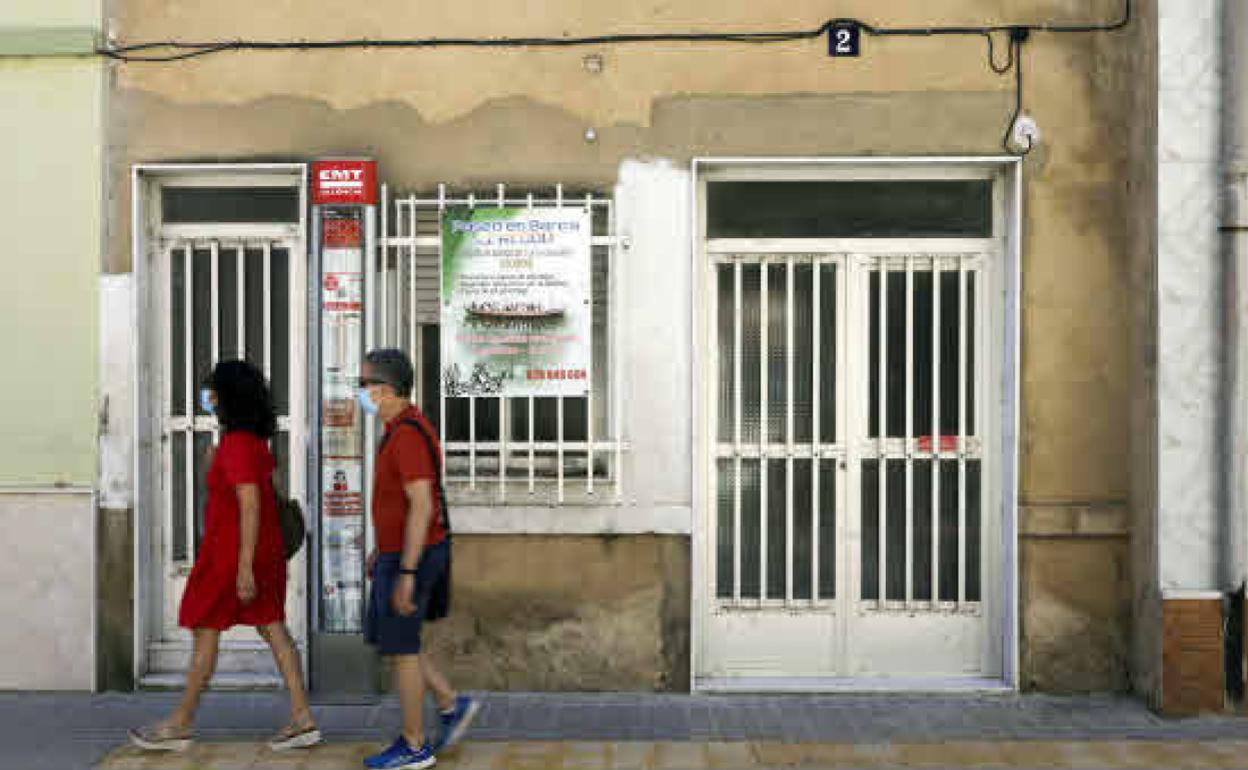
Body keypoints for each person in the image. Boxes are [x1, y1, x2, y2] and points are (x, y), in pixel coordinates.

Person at [129, 360, 320, 753]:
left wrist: (244, 568)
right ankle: (302, 717)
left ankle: (179, 724)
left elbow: (249, 505)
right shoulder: (253, 444)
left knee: (205, 630)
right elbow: (265, 493)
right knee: (274, 628)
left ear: (226, 397)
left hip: (231, 557)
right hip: (257, 553)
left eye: (212, 390)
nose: (207, 397)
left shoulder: (235, 447)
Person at [359, 348, 477, 770]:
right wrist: (382, 548)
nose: (362, 392)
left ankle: (414, 745)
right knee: (398, 643)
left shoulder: (406, 434)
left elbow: (422, 505)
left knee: (403, 649)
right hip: (400, 553)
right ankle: (449, 702)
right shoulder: (400, 428)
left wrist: (406, 570)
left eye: (365, 384)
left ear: (387, 390)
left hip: (414, 557)